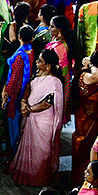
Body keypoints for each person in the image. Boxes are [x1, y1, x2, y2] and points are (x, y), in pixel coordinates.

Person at [12, 48, 66, 187]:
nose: (36, 62)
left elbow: (47, 103)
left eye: (40, 61)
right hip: (31, 118)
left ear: (48, 66)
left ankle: (38, 179)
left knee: (41, 153)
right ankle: (25, 177)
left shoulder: (54, 83)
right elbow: (29, 87)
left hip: (43, 123)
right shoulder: (37, 75)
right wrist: (24, 102)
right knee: (30, 149)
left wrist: (28, 109)